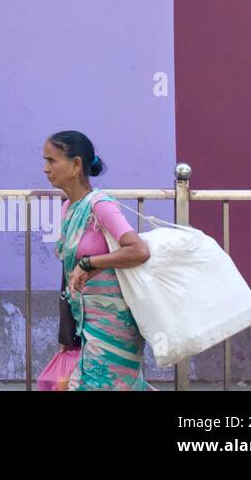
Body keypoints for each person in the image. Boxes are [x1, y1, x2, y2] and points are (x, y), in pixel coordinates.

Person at [41, 130, 153, 391]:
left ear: (76, 164)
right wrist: (67, 332)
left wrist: (89, 263)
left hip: (113, 324)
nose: (46, 169)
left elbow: (138, 250)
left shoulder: (100, 205)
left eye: (52, 160)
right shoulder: (69, 209)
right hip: (85, 323)